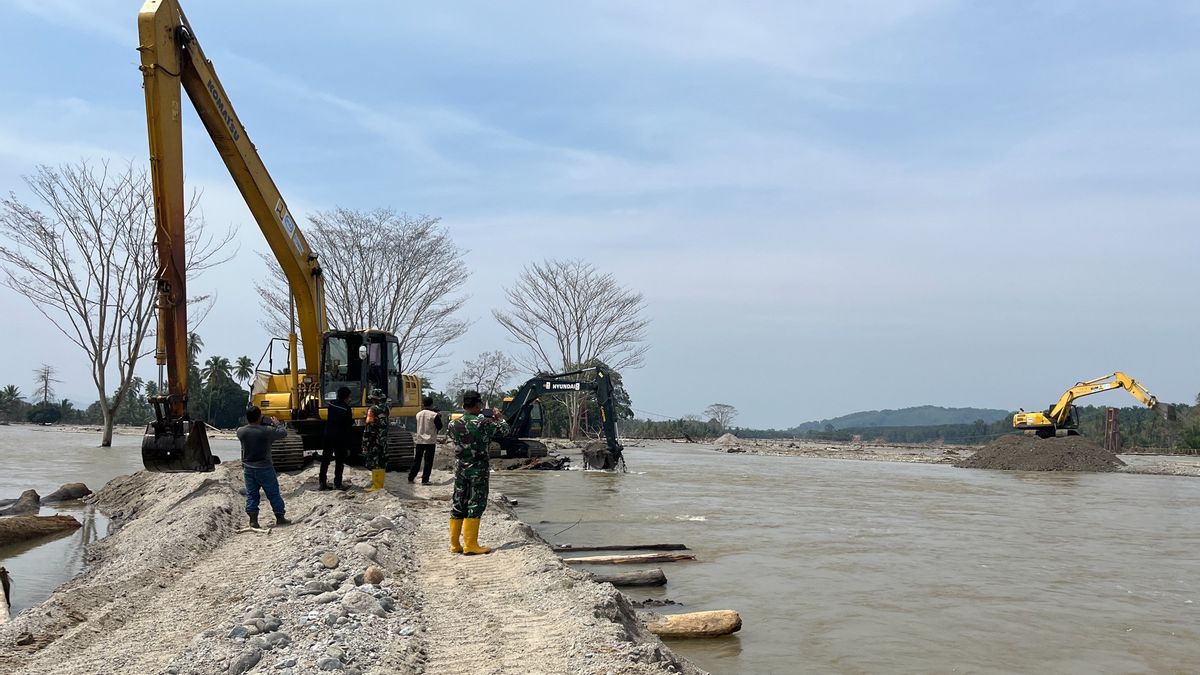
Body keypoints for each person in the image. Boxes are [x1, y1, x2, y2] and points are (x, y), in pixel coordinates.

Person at [446, 390, 509, 555]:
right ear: (478, 405)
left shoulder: (453, 424)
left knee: (459, 502)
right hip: (478, 469)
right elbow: (504, 431)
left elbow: (454, 438)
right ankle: (470, 545)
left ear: (463, 405)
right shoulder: (484, 423)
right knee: (476, 502)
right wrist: (499, 418)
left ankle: (454, 545)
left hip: (460, 468)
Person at [238, 406, 289, 528]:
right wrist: (277, 424)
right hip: (265, 467)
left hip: (248, 468)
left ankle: (253, 521)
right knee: (273, 493)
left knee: (252, 494)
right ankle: (280, 517)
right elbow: (283, 433)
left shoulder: (241, 431)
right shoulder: (267, 431)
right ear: (259, 417)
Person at [320, 386, 353, 491]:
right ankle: (337, 484)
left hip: (328, 435)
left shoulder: (331, 404)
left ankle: (322, 483)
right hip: (340, 437)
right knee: (339, 462)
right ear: (347, 397)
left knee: (325, 460)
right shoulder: (346, 408)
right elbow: (347, 425)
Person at [408, 396, 443, 484]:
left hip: (420, 440)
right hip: (430, 441)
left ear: (423, 404)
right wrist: (438, 416)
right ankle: (425, 479)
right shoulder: (434, 415)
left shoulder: (418, 414)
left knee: (417, 460)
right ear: (431, 404)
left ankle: (411, 477)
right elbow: (440, 426)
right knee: (428, 461)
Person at [361, 388, 390, 492]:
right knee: (381, 461)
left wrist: (365, 442)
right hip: (383, 439)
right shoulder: (386, 408)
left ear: (373, 399)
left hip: (374, 439)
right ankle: (380, 485)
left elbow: (369, 426)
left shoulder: (372, 409)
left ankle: (376, 486)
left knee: (374, 461)